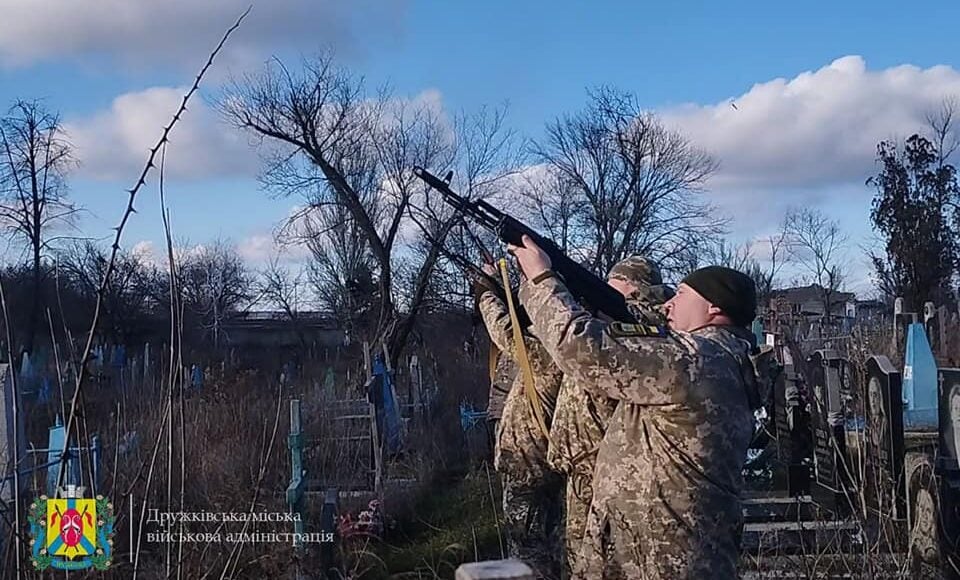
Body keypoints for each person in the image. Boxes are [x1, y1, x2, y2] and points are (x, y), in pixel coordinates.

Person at [509, 234, 765, 579]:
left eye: (683, 295)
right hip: (656, 550)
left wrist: (541, 278)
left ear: (713, 308)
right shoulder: (719, 358)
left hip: (660, 559)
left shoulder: (695, 360)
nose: (669, 305)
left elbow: (582, 348)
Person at [546, 255, 673, 577]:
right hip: (581, 461)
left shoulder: (648, 321)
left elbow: (637, 323)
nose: (605, 287)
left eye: (613, 282)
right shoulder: (607, 316)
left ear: (634, 286)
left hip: (606, 466)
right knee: (577, 556)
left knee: (601, 562)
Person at [474, 261, 563, 579]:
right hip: (546, 459)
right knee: (551, 540)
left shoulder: (551, 351)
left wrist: (486, 291)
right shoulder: (568, 343)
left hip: (529, 462)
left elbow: (507, 333)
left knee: (528, 550)